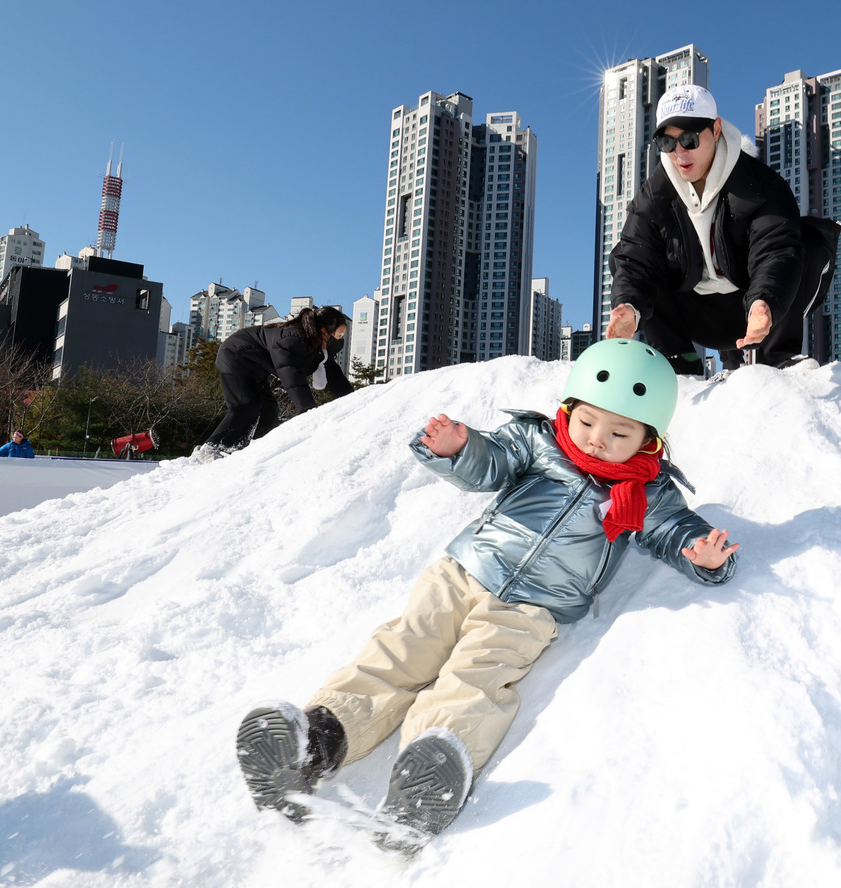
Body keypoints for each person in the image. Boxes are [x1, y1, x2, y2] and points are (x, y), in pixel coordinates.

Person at [235, 339, 739, 853]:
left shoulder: (648, 490)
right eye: (587, 422)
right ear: (570, 409)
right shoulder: (539, 441)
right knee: (402, 648)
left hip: (534, 607)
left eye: (619, 433)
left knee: (477, 675)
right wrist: (459, 448)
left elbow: (674, 528)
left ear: (649, 439)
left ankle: (429, 773)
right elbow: (493, 461)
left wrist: (699, 552)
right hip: (464, 572)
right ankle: (315, 740)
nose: (596, 440)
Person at [606, 84, 840, 375]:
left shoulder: (762, 186)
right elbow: (634, 260)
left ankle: (778, 356)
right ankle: (679, 364)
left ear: (716, 130)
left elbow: (776, 250)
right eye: (667, 143)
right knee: (624, 257)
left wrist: (763, 302)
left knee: (809, 241)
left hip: (754, 310)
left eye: (689, 139)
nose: (679, 152)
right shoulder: (653, 196)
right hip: (695, 313)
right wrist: (628, 307)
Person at [196, 305, 354, 459]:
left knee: (269, 410)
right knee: (246, 405)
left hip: (254, 366)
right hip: (235, 356)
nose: (339, 340)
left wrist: (353, 401)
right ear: (324, 331)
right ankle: (213, 447)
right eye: (339, 335)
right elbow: (291, 376)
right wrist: (308, 411)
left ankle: (252, 451)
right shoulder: (292, 338)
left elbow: (333, 374)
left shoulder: (317, 347)